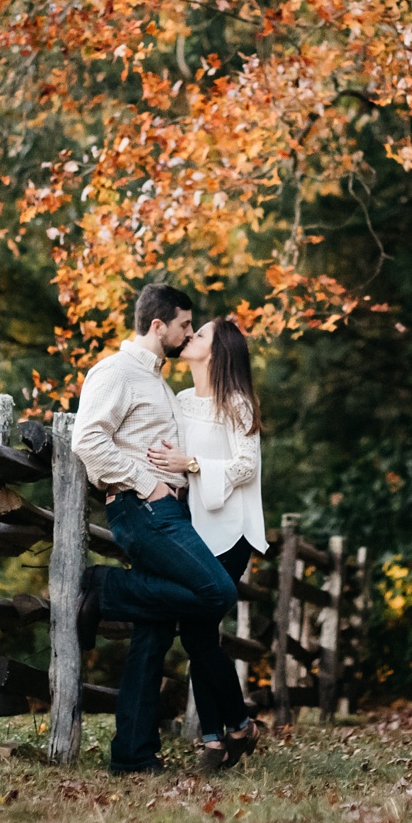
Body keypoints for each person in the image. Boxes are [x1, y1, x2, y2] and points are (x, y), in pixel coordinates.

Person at [71, 283, 238, 775]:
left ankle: (132, 755)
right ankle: (107, 587)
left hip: (165, 513)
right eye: (185, 324)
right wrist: (147, 484)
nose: (190, 332)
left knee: (155, 632)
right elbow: (87, 440)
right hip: (142, 510)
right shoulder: (115, 371)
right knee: (217, 592)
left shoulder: (161, 384)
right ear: (158, 325)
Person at [147, 317, 266, 772]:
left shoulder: (238, 405)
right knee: (200, 635)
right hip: (193, 527)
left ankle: (222, 735)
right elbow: (170, 460)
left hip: (231, 530)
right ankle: (228, 732)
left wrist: (192, 463)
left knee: (197, 632)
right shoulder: (179, 402)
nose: (190, 337)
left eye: (200, 335)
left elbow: (244, 468)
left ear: (218, 352)